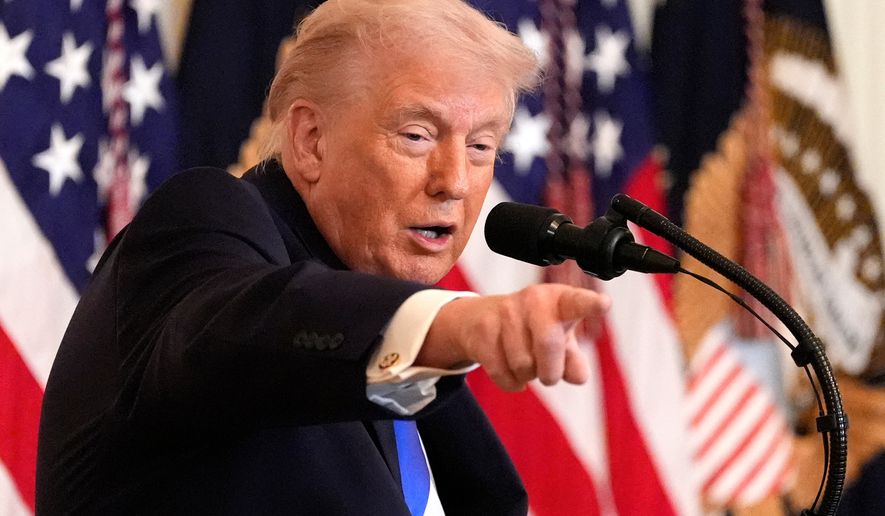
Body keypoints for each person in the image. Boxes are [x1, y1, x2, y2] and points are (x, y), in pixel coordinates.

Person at [36, 0, 611, 514]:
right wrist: (455, 324)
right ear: (311, 139)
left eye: (482, 146)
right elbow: (252, 323)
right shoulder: (206, 219)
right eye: (417, 135)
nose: (455, 181)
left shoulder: (411, 351)